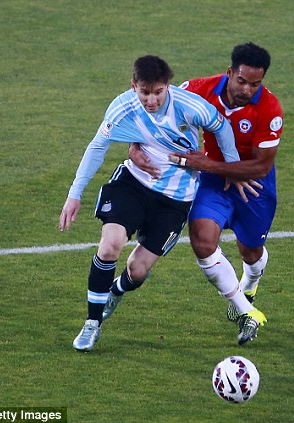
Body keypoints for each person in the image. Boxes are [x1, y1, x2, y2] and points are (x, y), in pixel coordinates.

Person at [59, 55, 244, 352]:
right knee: (110, 246)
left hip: (175, 199)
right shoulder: (123, 107)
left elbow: (221, 127)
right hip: (134, 184)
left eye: (158, 92)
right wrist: (74, 193)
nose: (151, 99)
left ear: (167, 86)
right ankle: (92, 323)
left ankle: (115, 291)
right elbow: (97, 146)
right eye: (145, 92)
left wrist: (232, 168)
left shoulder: (189, 106)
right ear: (134, 86)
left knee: (138, 270)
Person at [130, 42, 283, 345]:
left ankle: (250, 282)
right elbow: (154, 116)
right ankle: (246, 311)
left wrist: (207, 164)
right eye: (242, 81)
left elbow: (262, 167)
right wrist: (134, 147)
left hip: (253, 184)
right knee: (202, 240)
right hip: (212, 181)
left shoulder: (270, 109)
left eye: (255, 83)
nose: (247, 88)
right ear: (230, 73)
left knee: (250, 252)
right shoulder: (198, 89)